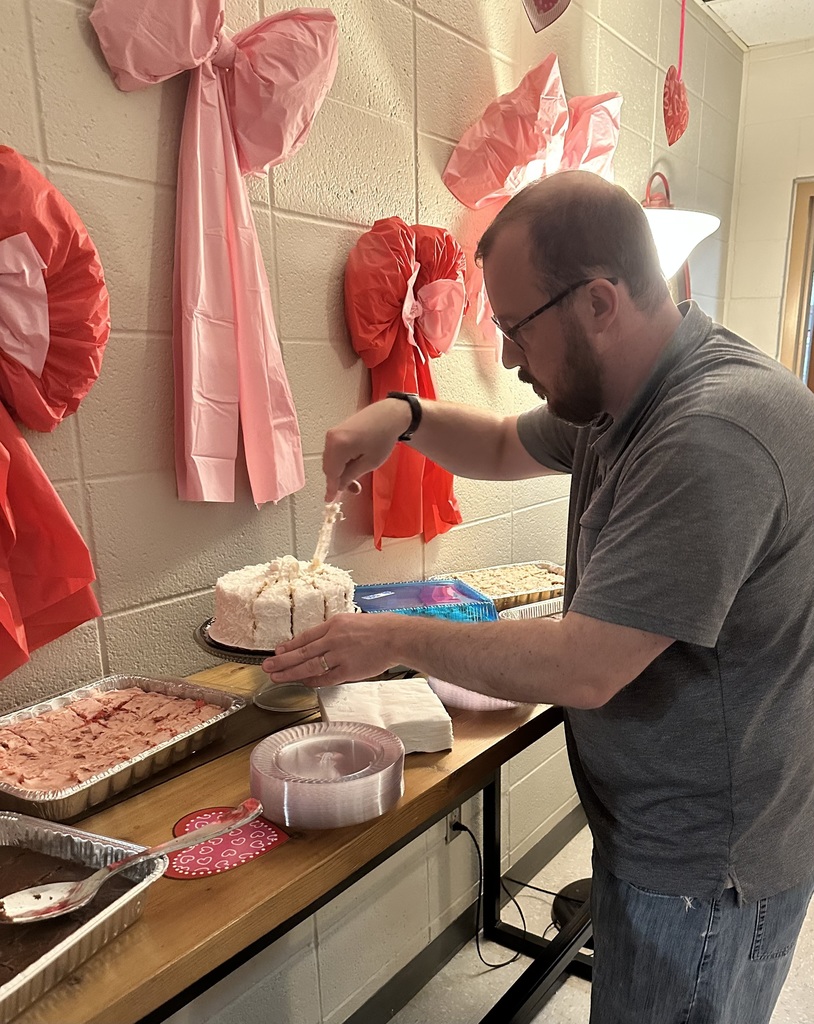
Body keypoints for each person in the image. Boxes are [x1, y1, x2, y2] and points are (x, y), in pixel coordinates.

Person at [263, 170, 814, 1024]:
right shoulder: (621, 394)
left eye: (517, 327)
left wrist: (395, 636)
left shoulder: (709, 432)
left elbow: (586, 666)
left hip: (709, 866)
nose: (510, 356)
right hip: (660, 828)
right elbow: (494, 444)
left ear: (599, 302)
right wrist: (401, 414)